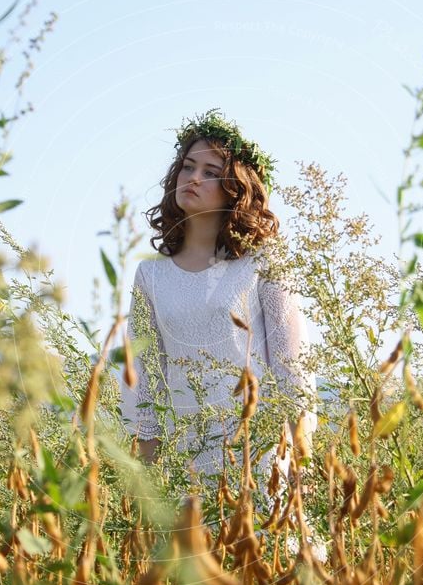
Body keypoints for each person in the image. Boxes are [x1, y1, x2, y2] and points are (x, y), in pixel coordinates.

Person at [124, 108, 317, 484]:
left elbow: (291, 368)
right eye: (188, 167)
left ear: (236, 188)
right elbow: (147, 376)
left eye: (210, 173)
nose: (193, 179)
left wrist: (301, 469)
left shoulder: (263, 262)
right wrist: (144, 482)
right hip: (186, 459)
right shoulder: (149, 273)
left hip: (257, 454)